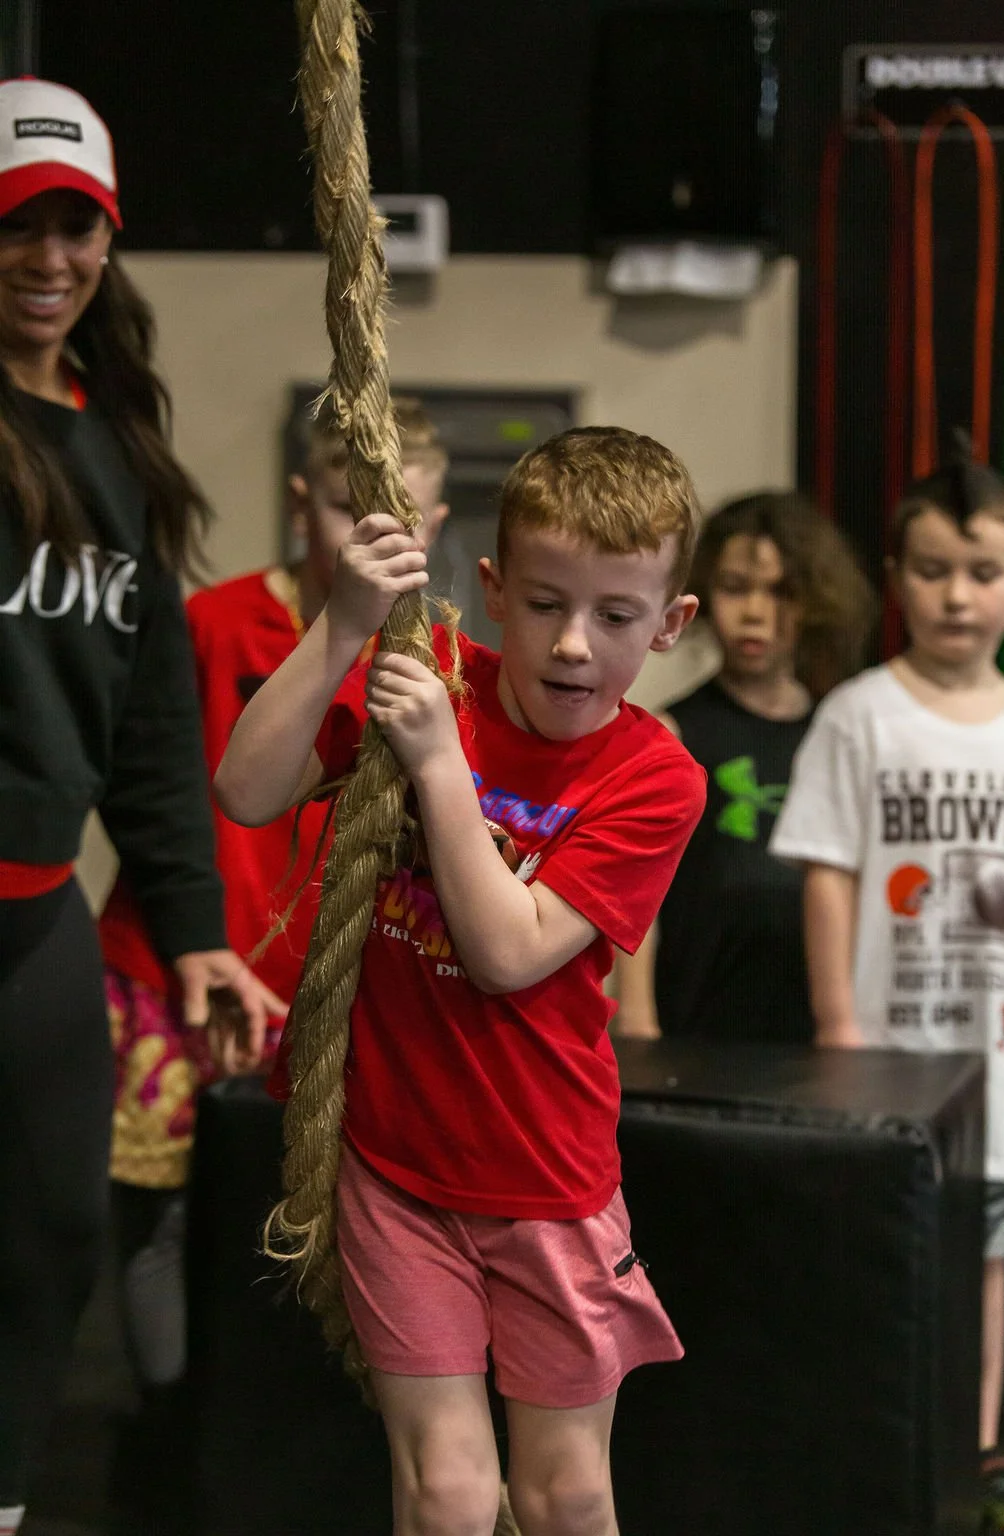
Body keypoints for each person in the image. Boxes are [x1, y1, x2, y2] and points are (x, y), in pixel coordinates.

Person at [215, 425, 708, 1536]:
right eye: (542, 603)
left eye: (615, 616)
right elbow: (247, 791)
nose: (574, 644)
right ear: (489, 589)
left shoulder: (652, 776)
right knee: (443, 1493)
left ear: (670, 625)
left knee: (564, 1492)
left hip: (547, 1181)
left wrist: (440, 767)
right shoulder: (437, 684)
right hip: (398, 1169)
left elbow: (509, 951)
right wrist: (342, 623)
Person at [0, 77, 277, 1536]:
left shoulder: (113, 450)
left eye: (76, 228)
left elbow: (156, 731)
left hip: (36, 914)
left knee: (52, 1238)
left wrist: (194, 932)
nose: (49, 259)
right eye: (18, 229)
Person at [96, 398, 450, 1499]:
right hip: (173, 974)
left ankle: (276, 1451)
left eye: (399, 516)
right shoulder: (213, 622)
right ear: (303, 504)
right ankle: (163, 1431)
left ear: (434, 523)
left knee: (319, 1236)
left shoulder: (433, 656)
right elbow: (152, 786)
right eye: (350, 509)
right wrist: (205, 945)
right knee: (150, 1216)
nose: (373, 536)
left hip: (329, 1000)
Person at [768, 457, 1004, 1530]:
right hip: (884, 1060)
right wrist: (838, 1028)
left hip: (999, 1065)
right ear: (895, 580)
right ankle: (870, 1453)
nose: (955, 596)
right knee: (882, 1258)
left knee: (988, 1264)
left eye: (980, 571)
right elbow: (827, 873)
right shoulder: (855, 716)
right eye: (931, 571)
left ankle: (968, 1461)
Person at [612, 492, 875, 1043]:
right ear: (704, 593)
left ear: (816, 601)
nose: (756, 612)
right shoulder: (671, 734)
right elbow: (638, 902)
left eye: (781, 592)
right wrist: (637, 1024)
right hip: (696, 1023)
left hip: (811, 1030)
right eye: (735, 588)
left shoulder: (841, 734)